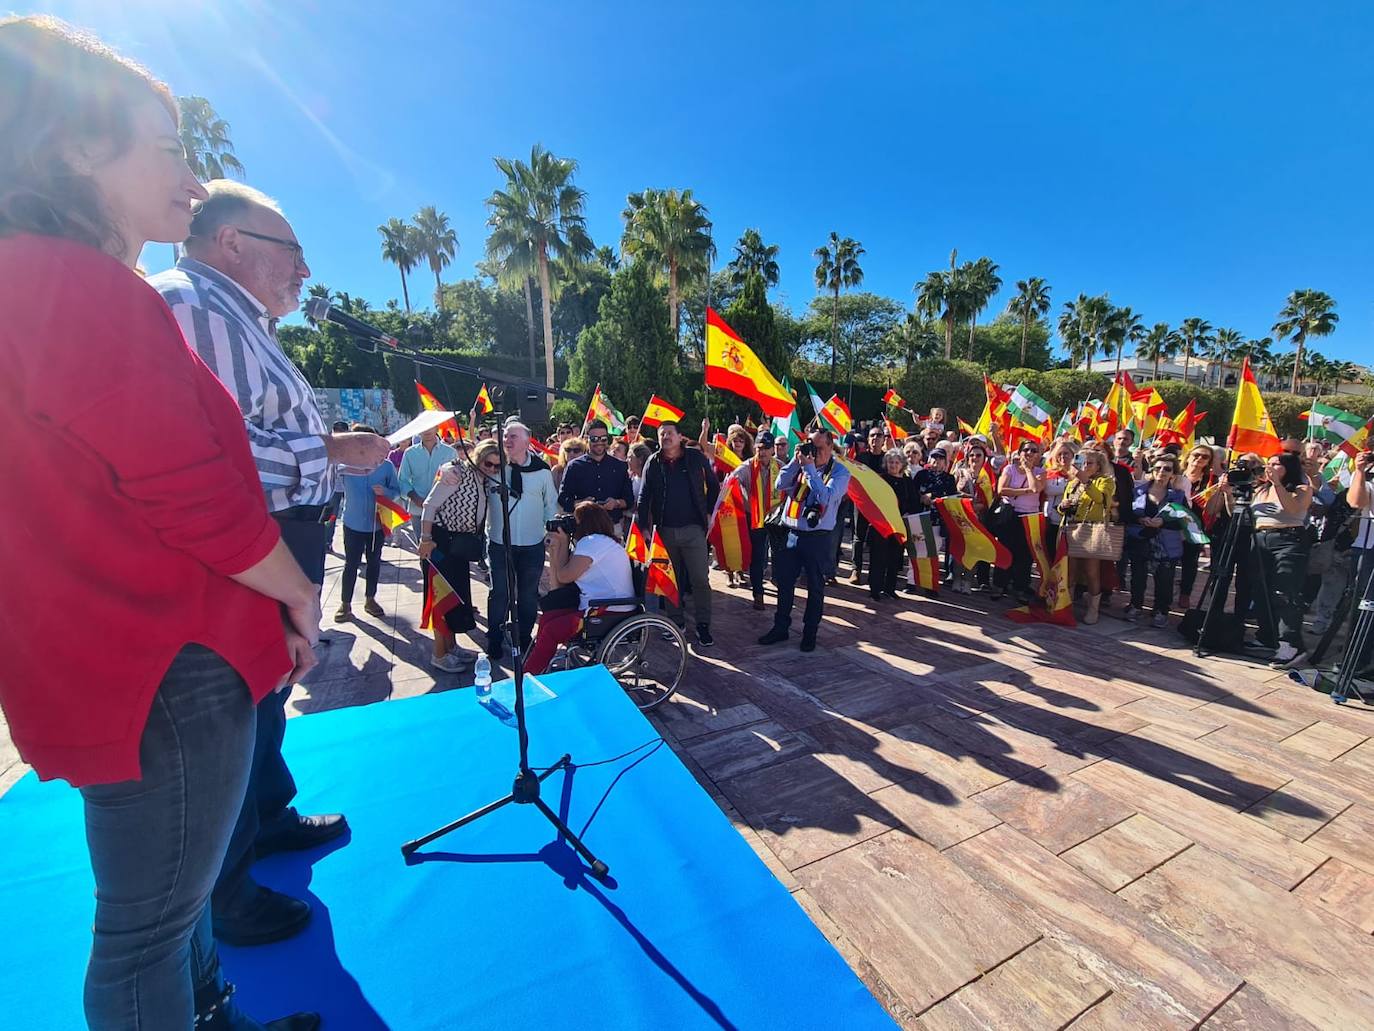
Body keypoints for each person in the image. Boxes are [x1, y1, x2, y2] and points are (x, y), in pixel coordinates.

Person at [0, 16, 320, 1029]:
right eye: (167, 148)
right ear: (75, 146)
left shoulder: (47, 279)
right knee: (144, 933)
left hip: (124, 644)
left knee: (173, 910)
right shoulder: (68, 284)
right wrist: (296, 589)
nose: (190, 181)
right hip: (156, 655)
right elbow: (187, 485)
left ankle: (213, 1012)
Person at [153, 182, 389, 949]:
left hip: (274, 541)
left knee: (263, 694)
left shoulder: (242, 319)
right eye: (292, 251)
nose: (308, 270)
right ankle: (222, 891)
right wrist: (330, 453)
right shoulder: (192, 307)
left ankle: (264, 818)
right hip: (233, 555)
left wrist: (329, 453)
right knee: (226, 706)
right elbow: (206, 454)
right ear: (231, 244)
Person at [758, 429, 852, 651]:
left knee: (815, 587)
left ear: (831, 447)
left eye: (818, 448)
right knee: (784, 584)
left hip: (818, 538)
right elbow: (780, 484)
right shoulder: (801, 465)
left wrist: (810, 468)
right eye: (810, 445)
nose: (814, 452)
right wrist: (795, 461)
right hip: (791, 534)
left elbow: (825, 497)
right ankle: (780, 627)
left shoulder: (840, 472)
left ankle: (810, 633)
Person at [525, 502, 638, 675]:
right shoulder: (600, 542)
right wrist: (556, 548)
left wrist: (562, 543)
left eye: (574, 521)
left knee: (552, 630)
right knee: (548, 617)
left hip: (608, 610)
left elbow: (564, 577)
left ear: (584, 523)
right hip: (601, 606)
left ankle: (528, 677)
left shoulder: (592, 542)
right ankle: (534, 668)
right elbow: (558, 585)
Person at [417, 438, 500, 672]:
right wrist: (426, 539)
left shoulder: (483, 480)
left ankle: (451, 646)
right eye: (488, 464)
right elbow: (430, 505)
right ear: (478, 459)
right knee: (440, 598)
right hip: (440, 542)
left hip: (459, 546)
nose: (492, 469)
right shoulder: (456, 473)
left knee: (454, 597)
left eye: (496, 466)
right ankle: (439, 654)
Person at [636, 420, 721, 648]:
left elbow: (714, 485)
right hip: (664, 531)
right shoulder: (653, 462)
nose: (666, 438)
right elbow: (644, 497)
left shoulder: (695, 458)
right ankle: (676, 622)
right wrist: (643, 525)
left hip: (694, 530)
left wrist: (711, 513)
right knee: (669, 581)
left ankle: (703, 625)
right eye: (662, 434)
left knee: (700, 579)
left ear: (680, 436)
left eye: (670, 433)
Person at [483, 421, 559, 663]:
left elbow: (551, 505)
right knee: (500, 594)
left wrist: (551, 532)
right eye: (505, 435)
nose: (508, 439)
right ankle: (494, 639)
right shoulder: (493, 468)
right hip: (498, 543)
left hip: (532, 544)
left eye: (513, 436)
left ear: (527, 441)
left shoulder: (542, 470)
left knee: (527, 596)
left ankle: (524, 638)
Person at [1244, 451, 1313, 668]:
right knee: (1260, 590)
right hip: (1261, 538)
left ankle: (1290, 643)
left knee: (1284, 591)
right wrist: (1229, 494)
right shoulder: (1261, 488)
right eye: (1270, 463)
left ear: (1289, 468)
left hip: (1288, 538)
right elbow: (1248, 515)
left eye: (1277, 464)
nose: (1271, 467)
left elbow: (1292, 508)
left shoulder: (1301, 488)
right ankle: (1267, 636)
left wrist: (1277, 485)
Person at [335, 425, 403, 620]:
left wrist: (386, 492)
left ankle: (370, 599)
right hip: (352, 522)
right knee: (351, 563)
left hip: (376, 524)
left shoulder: (386, 465)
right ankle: (345, 604)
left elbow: (397, 491)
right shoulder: (344, 465)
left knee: (374, 562)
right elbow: (333, 487)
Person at [1124, 455, 1187, 626]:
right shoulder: (1138, 491)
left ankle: (1161, 610)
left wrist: (1163, 522)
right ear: (1151, 470)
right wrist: (1140, 519)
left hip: (1166, 544)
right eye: (1158, 468)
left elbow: (1184, 520)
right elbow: (1127, 514)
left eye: (1167, 469)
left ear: (1173, 474)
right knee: (1138, 576)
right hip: (1140, 539)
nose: (1162, 472)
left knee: (1165, 579)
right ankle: (1136, 605)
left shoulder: (1178, 496)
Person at [728, 430, 783, 610]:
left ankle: (779, 582)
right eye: (759, 448)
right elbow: (731, 483)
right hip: (755, 518)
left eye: (766, 448)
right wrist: (746, 504)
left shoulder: (780, 466)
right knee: (758, 557)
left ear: (772, 450)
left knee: (779, 554)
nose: (763, 452)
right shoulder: (747, 467)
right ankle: (758, 593)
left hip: (775, 518)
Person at [1061, 448, 1116, 624]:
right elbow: (1064, 506)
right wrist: (1063, 505)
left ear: (1099, 466)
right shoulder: (1073, 483)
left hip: (1093, 531)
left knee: (1092, 572)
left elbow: (1099, 499)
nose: (1084, 466)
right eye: (1083, 462)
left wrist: (1084, 479)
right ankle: (1067, 605)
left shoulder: (1105, 481)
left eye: (1089, 463)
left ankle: (1093, 609)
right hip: (1072, 530)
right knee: (1071, 570)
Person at [558, 419, 634, 530]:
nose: (599, 442)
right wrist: (582, 503)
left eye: (603, 438)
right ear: (586, 439)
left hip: (612, 526)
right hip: (583, 527)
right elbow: (563, 499)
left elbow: (629, 500)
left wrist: (616, 503)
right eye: (594, 439)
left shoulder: (620, 466)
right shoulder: (574, 466)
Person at [992, 441, 1044, 602]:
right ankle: (999, 585)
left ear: (1038, 455)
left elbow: (1037, 488)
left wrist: (1028, 470)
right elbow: (1002, 490)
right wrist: (1026, 491)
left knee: (1025, 556)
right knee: (1005, 550)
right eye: (1025, 450)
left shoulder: (1041, 472)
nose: (1029, 453)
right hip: (1010, 515)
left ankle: (1020, 587)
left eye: (1033, 451)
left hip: (1029, 517)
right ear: (1019, 453)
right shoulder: (1009, 469)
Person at [870, 449, 920, 601]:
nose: (893, 465)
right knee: (878, 558)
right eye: (890, 462)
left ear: (902, 464)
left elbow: (914, 502)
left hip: (899, 525)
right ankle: (875, 589)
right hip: (882, 525)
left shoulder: (907, 481)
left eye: (896, 462)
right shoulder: (881, 479)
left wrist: (907, 514)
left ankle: (890, 589)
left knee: (895, 558)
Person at [398, 425, 457, 541]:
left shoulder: (450, 452)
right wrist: (416, 499)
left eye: (430, 427)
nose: (427, 430)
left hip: (444, 510)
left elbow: (456, 480)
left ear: (437, 428)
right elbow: (403, 480)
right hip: (418, 510)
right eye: (424, 427)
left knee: (444, 551)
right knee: (424, 550)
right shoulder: (410, 453)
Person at [1177, 443, 1217, 609]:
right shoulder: (1177, 475)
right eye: (1197, 455)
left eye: (1205, 457)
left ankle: (1185, 594)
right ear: (1189, 457)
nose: (1199, 459)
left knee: (1190, 561)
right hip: (1172, 524)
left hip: (1194, 526)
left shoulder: (1210, 482)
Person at [952, 441, 994, 592]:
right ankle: (956, 578)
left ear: (984, 458)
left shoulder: (988, 477)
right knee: (960, 549)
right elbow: (952, 493)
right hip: (961, 517)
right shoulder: (960, 473)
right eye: (972, 455)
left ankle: (968, 581)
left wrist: (979, 506)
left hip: (979, 520)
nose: (975, 458)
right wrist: (967, 501)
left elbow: (991, 499)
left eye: (978, 455)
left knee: (973, 551)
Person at [849, 425, 888, 585]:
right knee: (859, 536)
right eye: (872, 435)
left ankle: (876, 571)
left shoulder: (887, 458)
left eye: (879, 435)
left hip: (881, 503)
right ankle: (855, 570)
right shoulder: (861, 457)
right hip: (862, 502)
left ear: (884, 439)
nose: (875, 438)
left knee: (879, 538)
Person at [1042, 439, 1078, 558]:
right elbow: (1049, 490)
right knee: (1053, 556)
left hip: (1074, 522)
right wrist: (1072, 483)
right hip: (1054, 521)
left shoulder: (1081, 473)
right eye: (1059, 454)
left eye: (1066, 453)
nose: (1063, 457)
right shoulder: (1050, 473)